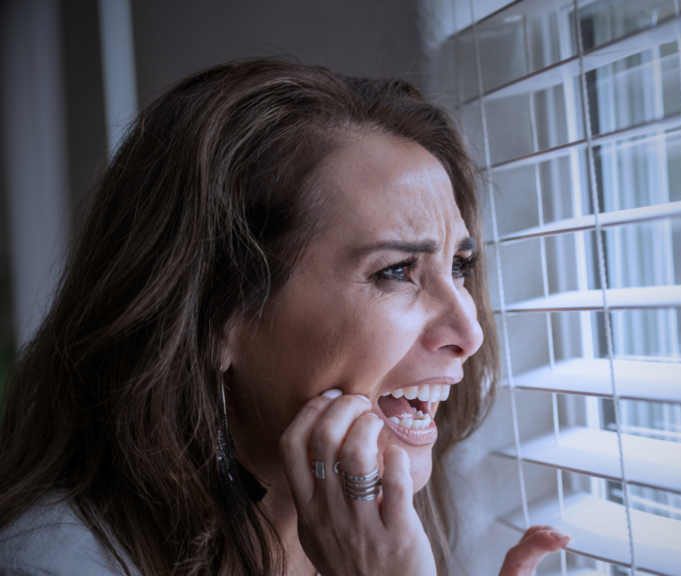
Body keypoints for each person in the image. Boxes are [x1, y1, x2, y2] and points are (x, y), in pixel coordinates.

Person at [0, 59, 569, 576]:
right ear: (217, 315)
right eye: (396, 271)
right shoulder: (52, 564)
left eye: (461, 265)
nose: (469, 333)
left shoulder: (372, 539)